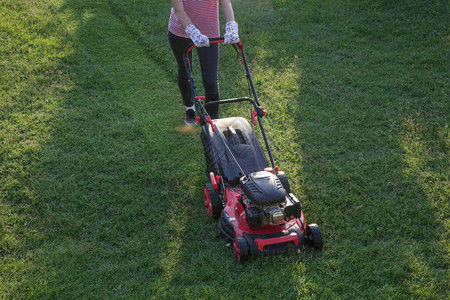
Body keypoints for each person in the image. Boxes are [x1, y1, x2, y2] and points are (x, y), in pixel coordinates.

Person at [168, 0, 239, 125]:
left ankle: (213, 122)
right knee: (185, 72)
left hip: (209, 30)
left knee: (210, 81)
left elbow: (226, 2)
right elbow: (178, 8)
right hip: (180, 32)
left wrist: (231, 26)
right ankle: (189, 108)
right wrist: (193, 32)